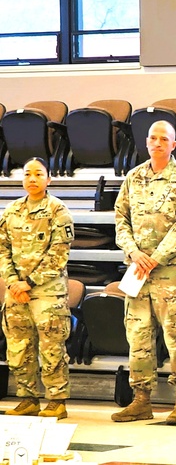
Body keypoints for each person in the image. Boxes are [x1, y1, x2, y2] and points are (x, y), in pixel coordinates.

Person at [112, 120, 176, 425]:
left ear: (174, 145)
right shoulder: (133, 177)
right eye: (154, 138)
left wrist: (156, 257)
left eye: (165, 139)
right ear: (147, 142)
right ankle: (141, 400)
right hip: (137, 270)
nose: (158, 143)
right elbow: (121, 219)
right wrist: (133, 252)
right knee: (138, 336)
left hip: (170, 271)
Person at [0, 157, 74, 420]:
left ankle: (56, 400)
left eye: (38, 174)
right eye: (27, 174)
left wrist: (29, 282)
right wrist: (13, 282)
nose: (32, 178)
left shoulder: (58, 210)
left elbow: (59, 254)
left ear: (48, 179)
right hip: (16, 293)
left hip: (47, 293)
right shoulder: (11, 211)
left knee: (51, 348)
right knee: (18, 347)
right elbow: (2, 250)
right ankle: (27, 398)